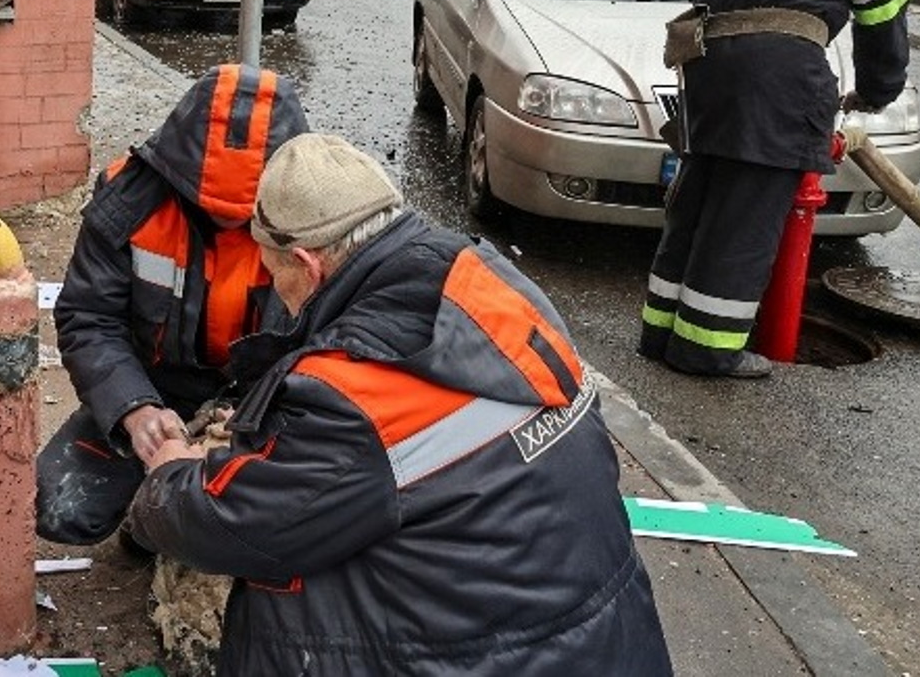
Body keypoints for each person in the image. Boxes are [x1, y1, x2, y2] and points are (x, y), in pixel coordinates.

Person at [127, 133, 673, 675]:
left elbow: (236, 523)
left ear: (307, 265)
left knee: (286, 592)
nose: (277, 293)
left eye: (274, 274)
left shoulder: (357, 396)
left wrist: (170, 474)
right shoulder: (489, 284)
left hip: (495, 659)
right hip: (606, 633)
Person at [640, 0, 910, 378]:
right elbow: (882, 31)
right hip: (780, 81)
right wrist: (877, 94)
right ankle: (706, 350)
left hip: (706, 67)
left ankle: (659, 333)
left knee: (697, 203)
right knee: (745, 219)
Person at [35, 63, 310, 546]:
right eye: (211, 209)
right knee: (58, 508)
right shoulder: (129, 201)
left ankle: (166, 526)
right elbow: (88, 318)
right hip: (157, 386)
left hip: (269, 398)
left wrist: (247, 428)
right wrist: (135, 411)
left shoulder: (321, 217)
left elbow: (346, 339)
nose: (228, 227)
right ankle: (153, 520)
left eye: (244, 217)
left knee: (288, 524)